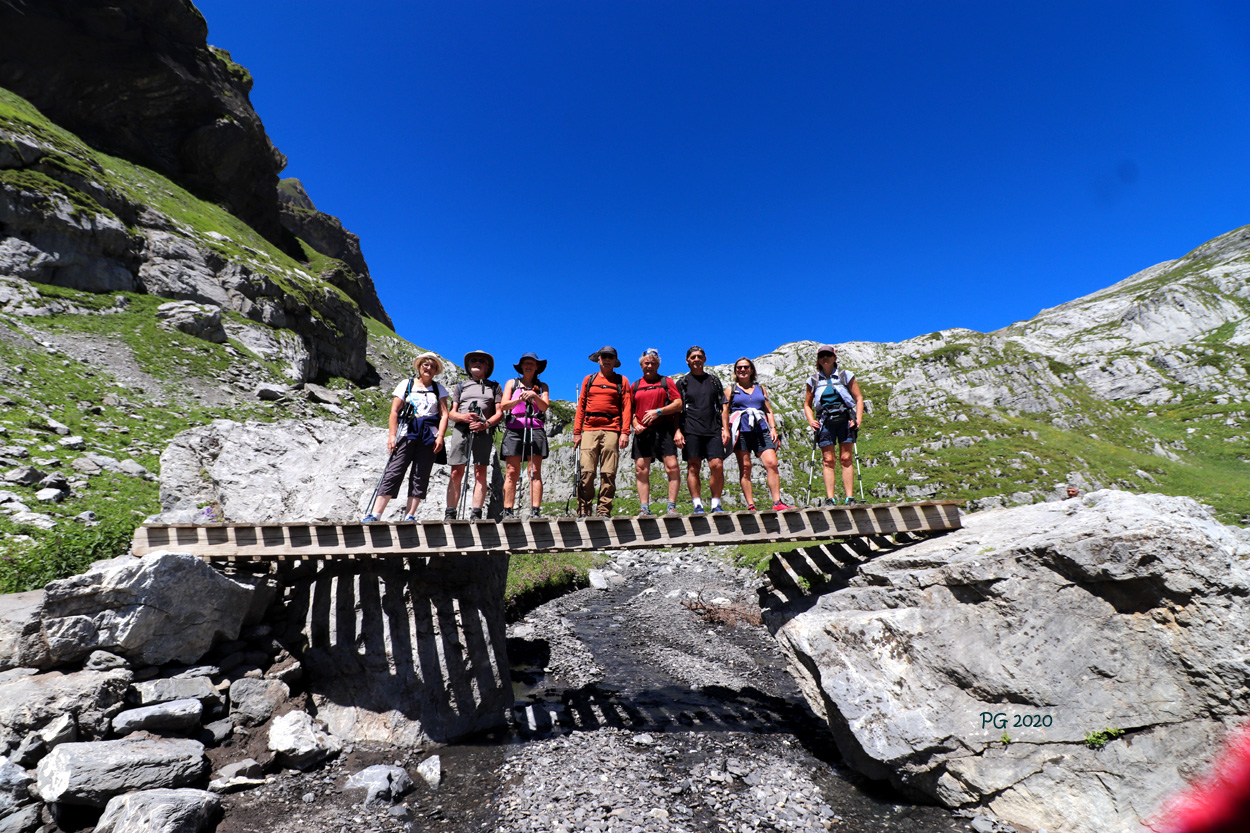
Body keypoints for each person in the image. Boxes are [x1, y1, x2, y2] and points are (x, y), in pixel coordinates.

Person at [363, 352, 449, 522]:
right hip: (406, 432)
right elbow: (394, 411)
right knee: (394, 471)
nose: (429, 368)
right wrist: (392, 436)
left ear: (435, 370)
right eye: (426, 364)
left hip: (428, 436)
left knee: (421, 474)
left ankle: (410, 516)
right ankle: (375, 514)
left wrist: (440, 437)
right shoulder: (406, 384)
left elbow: (444, 414)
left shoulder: (439, 389)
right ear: (419, 366)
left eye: (432, 366)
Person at [573, 346, 632, 517]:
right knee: (586, 472)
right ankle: (584, 511)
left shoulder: (622, 381)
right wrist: (577, 432)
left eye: (610, 357)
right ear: (598, 359)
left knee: (609, 473)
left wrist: (625, 432)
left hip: (612, 430)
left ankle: (604, 511)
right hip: (589, 430)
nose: (607, 359)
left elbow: (626, 408)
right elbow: (581, 406)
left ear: (615, 361)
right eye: (604, 356)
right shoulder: (588, 380)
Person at [802, 343, 864, 506]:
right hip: (825, 421)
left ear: (834, 358)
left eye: (828, 355)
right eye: (822, 356)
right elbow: (807, 404)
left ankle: (849, 497)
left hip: (845, 420)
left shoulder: (846, 376)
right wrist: (811, 420)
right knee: (828, 459)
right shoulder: (813, 380)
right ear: (819, 360)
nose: (825, 358)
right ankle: (830, 498)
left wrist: (858, 418)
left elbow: (858, 398)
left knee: (846, 457)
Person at [726, 357, 791, 511]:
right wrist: (724, 429)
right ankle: (751, 505)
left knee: (772, 464)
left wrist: (773, 428)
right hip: (741, 430)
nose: (742, 370)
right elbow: (724, 410)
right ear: (735, 371)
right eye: (739, 367)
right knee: (745, 467)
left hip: (761, 429)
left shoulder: (761, 388)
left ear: (751, 370)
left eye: (746, 367)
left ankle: (777, 502)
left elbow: (768, 409)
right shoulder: (731, 389)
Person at [444, 350, 503, 520]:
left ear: (487, 366)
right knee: (456, 471)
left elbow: (499, 413)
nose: (477, 363)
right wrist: (464, 417)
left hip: (483, 431)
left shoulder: (494, 387)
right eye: (473, 361)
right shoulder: (461, 386)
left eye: (481, 361)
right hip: (461, 429)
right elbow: (451, 413)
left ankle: (476, 513)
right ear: (469, 366)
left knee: (480, 472)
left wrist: (486, 424)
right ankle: (450, 513)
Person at [674, 345, 728, 514]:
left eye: (699, 356)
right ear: (687, 360)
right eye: (693, 357)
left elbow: (723, 406)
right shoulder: (682, 383)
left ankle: (715, 504)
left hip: (713, 429)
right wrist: (677, 431)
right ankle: (697, 504)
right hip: (690, 429)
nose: (696, 359)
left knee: (717, 465)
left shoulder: (713, 381)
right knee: (693, 467)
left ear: (705, 359)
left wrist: (725, 429)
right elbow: (676, 409)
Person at [630, 348, 683, 516]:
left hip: (664, 429)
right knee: (641, 469)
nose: (650, 366)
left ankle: (671, 506)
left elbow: (678, 404)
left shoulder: (666, 382)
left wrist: (658, 411)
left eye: (653, 363)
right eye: (647, 363)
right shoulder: (635, 385)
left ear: (658, 364)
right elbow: (630, 410)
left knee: (672, 466)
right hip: (643, 431)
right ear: (641, 365)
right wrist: (635, 423)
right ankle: (644, 507)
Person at [499, 352, 550, 518]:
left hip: (535, 428)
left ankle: (535, 511)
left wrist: (534, 396)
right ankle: (508, 510)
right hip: (515, 428)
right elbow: (504, 405)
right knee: (511, 471)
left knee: (534, 471)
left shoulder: (543, 387)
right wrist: (519, 400)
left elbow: (544, 407)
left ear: (537, 368)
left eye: (532, 363)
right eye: (526, 363)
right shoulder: (512, 383)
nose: (529, 366)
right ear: (521, 366)